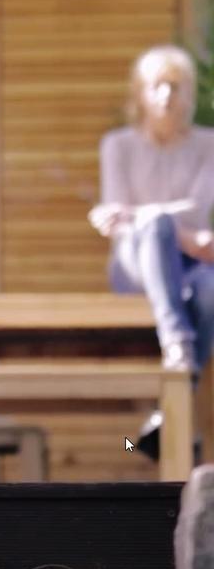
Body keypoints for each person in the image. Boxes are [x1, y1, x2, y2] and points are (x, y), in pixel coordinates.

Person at [89, 44, 214, 458]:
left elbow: (197, 206)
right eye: (157, 85)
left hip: (190, 266)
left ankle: (170, 410)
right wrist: (180, 233)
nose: (166, 95)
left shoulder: (208, 144)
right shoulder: (117, 145)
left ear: (188, 94)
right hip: (133, 264)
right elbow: (125, 227)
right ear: (140, 93)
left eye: (175, 86)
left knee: (210, 290)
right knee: (156, 227)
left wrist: (135, 215)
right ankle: (178, 343)